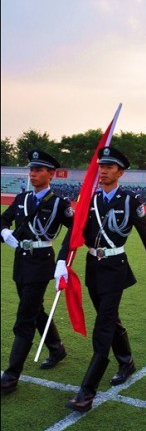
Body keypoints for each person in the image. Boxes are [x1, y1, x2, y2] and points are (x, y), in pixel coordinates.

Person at [60, 147, 146, 412]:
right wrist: (62, 260)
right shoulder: (90, 199)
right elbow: (74, 233)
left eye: (109, 167)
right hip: (94, 266)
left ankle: (87, 391)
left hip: (116, 268)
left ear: (120, 172)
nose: (103, 171)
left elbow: (144, 228)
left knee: (103, 326)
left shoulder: (129, 200)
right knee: (110, 318)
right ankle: (126, 361)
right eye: (101, 167)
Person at [1, 150, 74, 394]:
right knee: (34, 309)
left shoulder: (58, 203)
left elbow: (75, 232)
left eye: (39, 170)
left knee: (24, 318)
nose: (33, 174)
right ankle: (55, 347)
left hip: (42, 262)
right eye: (31, 169)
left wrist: (63, 260)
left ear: (51, 174)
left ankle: (11, 376)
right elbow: (3, 220)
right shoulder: (22, 198)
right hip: (21, 261)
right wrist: (4, 232)